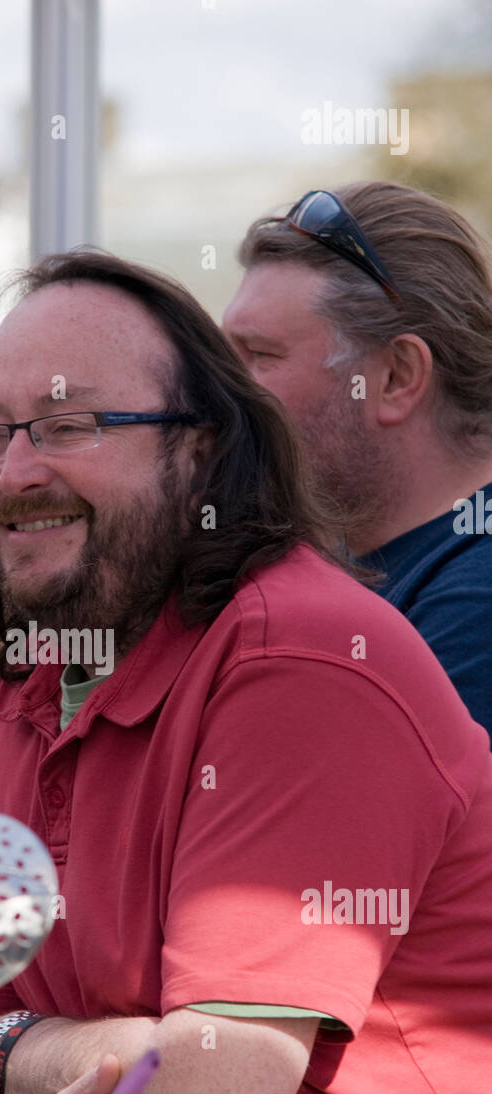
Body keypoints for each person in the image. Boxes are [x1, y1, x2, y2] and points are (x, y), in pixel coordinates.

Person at [0, 249, 492, 1094]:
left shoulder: (301, 661)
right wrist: (21, 1089)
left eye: (65, 425)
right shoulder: (45, 660)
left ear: (200, 453)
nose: (15, 473)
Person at [223, 181, 492, 739]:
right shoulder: (362, 558)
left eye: (259, 358)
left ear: (396, 378)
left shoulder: (473, 603)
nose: (221, 395)